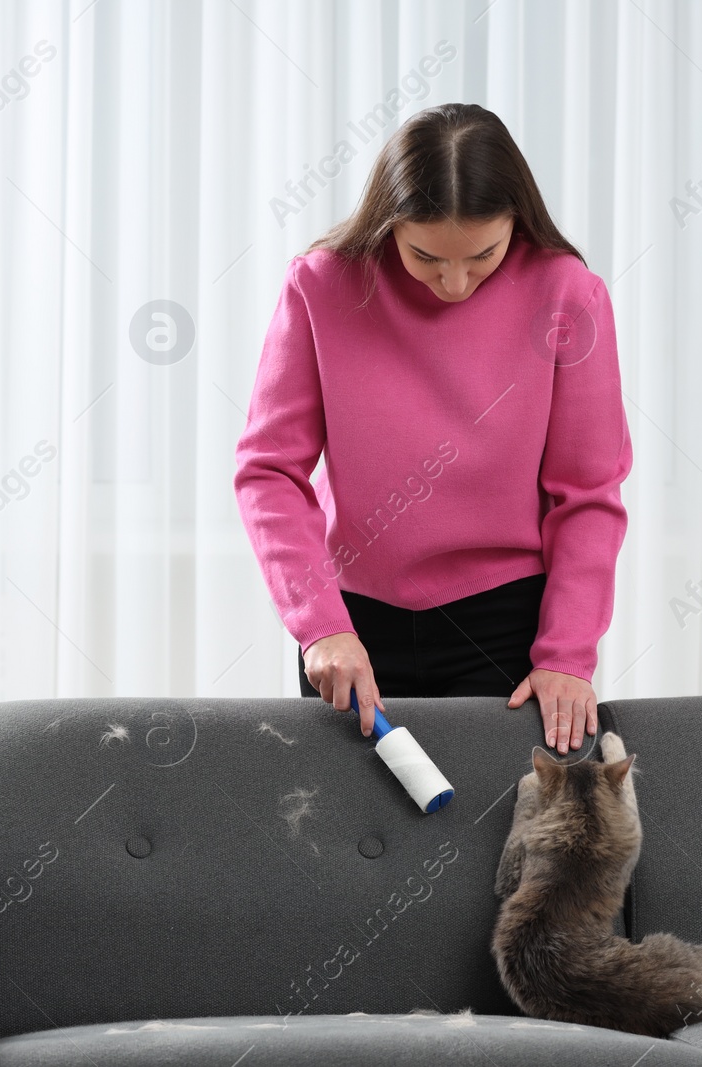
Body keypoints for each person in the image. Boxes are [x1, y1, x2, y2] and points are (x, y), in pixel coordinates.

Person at [233, 102, 632, 755]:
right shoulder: (320, 285)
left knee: (489, 843)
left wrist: (566, 652)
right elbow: (268, 472)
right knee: (346, 839)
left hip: (507, 622)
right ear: (388, 225)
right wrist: (319, 624)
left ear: (516, 221)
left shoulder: (568, 295)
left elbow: (588, 495)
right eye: (425, 256)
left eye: (482, 255)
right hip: (351, 625)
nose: (453, 282)